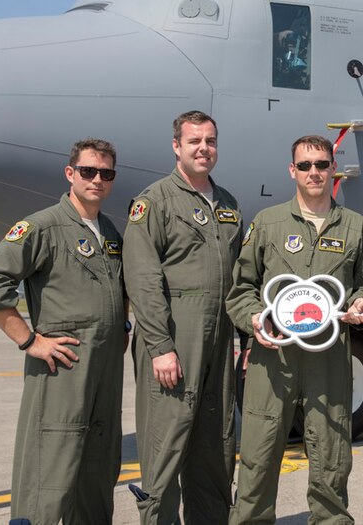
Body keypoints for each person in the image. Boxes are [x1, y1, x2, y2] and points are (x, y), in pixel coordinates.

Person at [226, 134, 363, 524]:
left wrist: (362, 302)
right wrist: (254, 319)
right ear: (292, 170)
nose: (314, 172)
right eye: (305, 165)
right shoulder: (268, 223)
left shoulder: (355, 226)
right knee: (259, 456)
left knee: (332, 457)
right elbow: (242, 288)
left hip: (328, 357)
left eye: (322, 164)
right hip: (274, 355)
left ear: (334, 169)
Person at [0, 139, 126, 525]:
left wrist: (122, 325)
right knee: (51, 466)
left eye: (106, 173)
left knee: (98, 465)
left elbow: (121, 290)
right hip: (63, 368)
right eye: (88, 171)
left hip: (106, 369)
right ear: (70, 174)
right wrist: (29, 341)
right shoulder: (42, 226)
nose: (97, 179)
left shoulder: (109, 232)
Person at [123, 111, 242, 524]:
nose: (203, 149)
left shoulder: (228, 204)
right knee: (166, 443)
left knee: (215, 444)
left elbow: (242, 277)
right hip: (175, 335)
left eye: (210, 141)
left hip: (220, 339)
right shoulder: (154, 201)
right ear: (177, 146)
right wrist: (160, 347)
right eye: (194, 141)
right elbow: (142, 279)